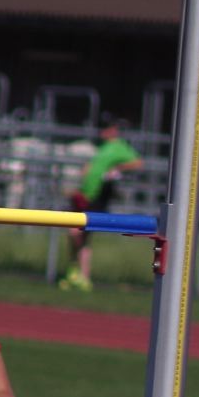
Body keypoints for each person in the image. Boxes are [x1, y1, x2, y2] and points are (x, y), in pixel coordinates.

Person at [59, 115, 142, 292]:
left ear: (114, 130)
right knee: (78, 236)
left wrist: (117, 169)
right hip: (85, 195)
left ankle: (78, 273)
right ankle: (79, 274)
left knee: (77, 233)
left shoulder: (119, 147)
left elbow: (137, 162)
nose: (102, 131)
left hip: (96, 198)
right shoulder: (102, 147)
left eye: (106, 128)